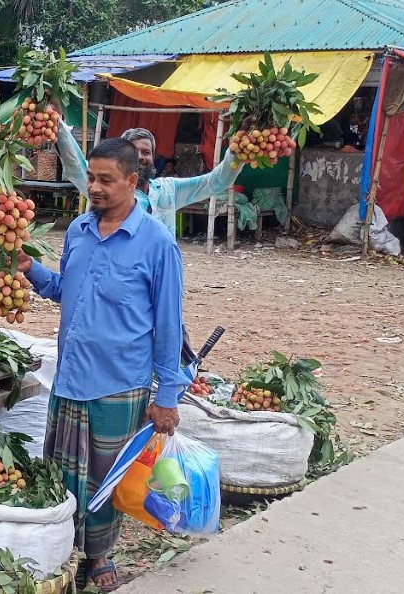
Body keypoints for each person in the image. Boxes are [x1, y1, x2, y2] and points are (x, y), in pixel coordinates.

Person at [17, 137, 186, 592]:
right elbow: (63, 289)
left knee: (106, 478)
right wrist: (30, 269)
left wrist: (168, 396)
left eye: (106, 180)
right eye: (91, 178)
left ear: (132, 181)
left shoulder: (157, 244)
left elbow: (169, 325)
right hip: (70, 377)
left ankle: (99, 554)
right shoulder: (78, 230)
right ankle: (61, 548)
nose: (94, 187)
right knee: (62, 471)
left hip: (119, 383)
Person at [57, 124, 242, 236]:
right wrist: (57, 122)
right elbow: (76, 165)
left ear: (154, 157)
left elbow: (215, 182)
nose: (140, 157)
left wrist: (237, 151)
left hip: (159, 272)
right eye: (133, 151)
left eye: (146, 152)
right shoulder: (108, 188)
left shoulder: (169, 189)